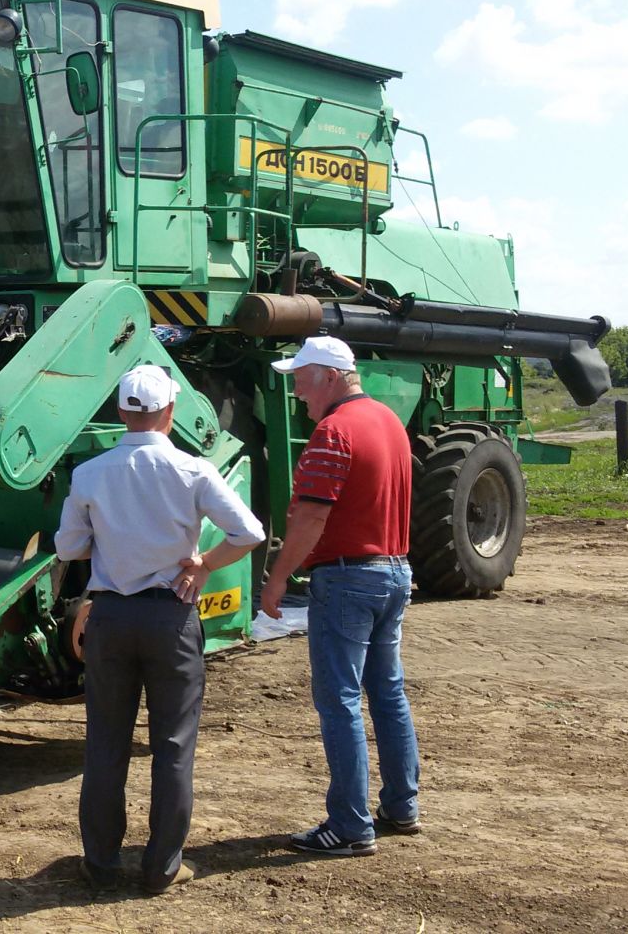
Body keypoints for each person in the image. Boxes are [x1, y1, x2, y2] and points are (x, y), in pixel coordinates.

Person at [55, 363, 267, 894]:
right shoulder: (193, 471)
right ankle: (162, 866)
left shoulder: (90, 473)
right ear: (170, 412)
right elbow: (249, 532)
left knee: (106, 742)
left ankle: (100, 863)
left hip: (111, 617)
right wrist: (203, 565)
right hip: (171, 616)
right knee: (172, 745)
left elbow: (68, 549)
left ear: (122, 412)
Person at [263, 335, 421, 857]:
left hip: (349, 577)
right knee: (388, 693)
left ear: (329, 376)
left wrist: (278, 576)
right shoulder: (388, 422)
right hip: (393, 571)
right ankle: (401, 806)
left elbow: (311, 516)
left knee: (340, 702)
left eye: (301, 380)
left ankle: (351, 827)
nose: (297, 393)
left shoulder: (333, 432)